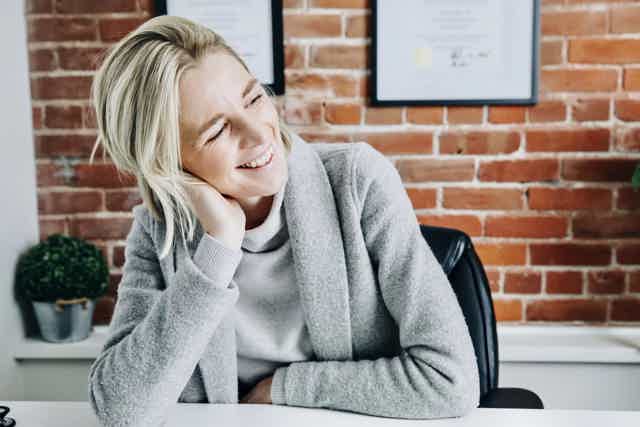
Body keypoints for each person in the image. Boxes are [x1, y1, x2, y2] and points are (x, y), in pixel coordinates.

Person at [87, 15, 480, 427]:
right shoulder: (159, 231)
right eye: (218, 130)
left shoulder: (357, 182)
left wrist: (284, 389)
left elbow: (449, 379)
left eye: (253, 98)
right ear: (167, 162)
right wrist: (218, 249)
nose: (259, 135)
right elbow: (120, 409)